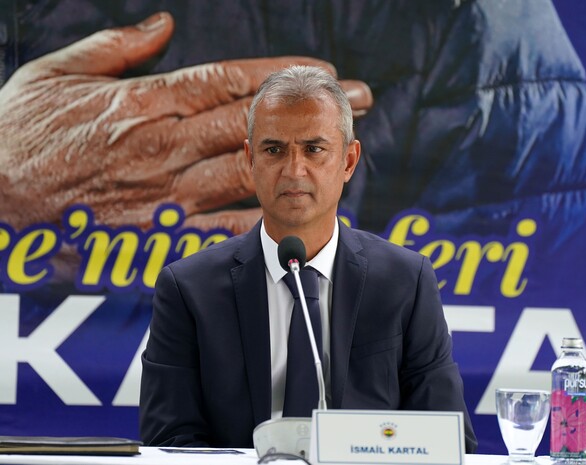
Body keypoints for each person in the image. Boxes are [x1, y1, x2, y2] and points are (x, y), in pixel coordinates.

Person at [139, 65, 478, 452]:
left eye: (314, 149)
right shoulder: (188, 290)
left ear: (348, 161)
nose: (294, 170)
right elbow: (169, 443)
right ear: (250, 159)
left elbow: (447, 440)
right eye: (274, 150)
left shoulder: (406, 282)